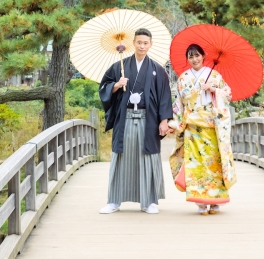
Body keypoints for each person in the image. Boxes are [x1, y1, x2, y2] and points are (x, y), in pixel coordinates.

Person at [98, 28, 173, 214]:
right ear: (133, 43)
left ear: (150, 44)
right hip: (125, 118)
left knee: (148, 157)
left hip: (149, 120)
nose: (142, 46)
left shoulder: (157, 70)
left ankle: (149, 201)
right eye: (139, 42)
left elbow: (165, 96)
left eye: (145, 43)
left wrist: (164, 120)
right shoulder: (119, 67)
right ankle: (114, 201)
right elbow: (104, 87)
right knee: (121, 156)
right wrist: (117, 85)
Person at [169, 43, 236, 215]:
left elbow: (228, 94)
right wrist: (174, 123)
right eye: (190, 57)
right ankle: (200, 201)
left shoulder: (214, 75)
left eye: (197, 55)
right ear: (187, 59)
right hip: (192, 128)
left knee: (214, 164)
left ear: (203, 56)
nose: (194, 59)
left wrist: (213, 90)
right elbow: (178, 104)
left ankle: (215, 202)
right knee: (195, 165)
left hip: (211, 126)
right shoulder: (183, 78)